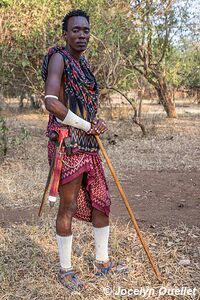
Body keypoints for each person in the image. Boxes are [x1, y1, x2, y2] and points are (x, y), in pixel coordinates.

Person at [42, 9, 128, 291]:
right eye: (75, 30)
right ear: (65, 34)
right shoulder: (59, 58)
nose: (81, 35)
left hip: (89, 144)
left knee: (101, 201)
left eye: (86, 31)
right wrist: (84, 124)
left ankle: (102, 262)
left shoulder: (85, 64)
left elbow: (87, 107)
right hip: (68, 144)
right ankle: (65, 269)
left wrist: (96, 122)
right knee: (67, 206)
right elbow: (51, 102)